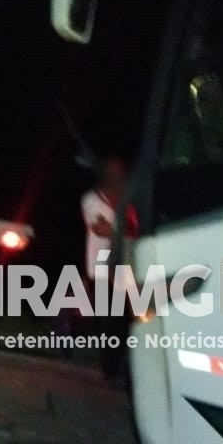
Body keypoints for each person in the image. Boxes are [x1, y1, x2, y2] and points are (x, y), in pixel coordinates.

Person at [81, 156, 137, 386]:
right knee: (110, 320)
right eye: (112, 173)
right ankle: (111, 372)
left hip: (127, 268)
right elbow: (100, 229)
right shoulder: (92, 199)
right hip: (102, 269)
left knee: (126, 320)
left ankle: (120, 370)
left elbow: (133, 226)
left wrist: (122, 229)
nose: (117, 177)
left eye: (120, 173)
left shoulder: (126, 201)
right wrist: (127, 230)